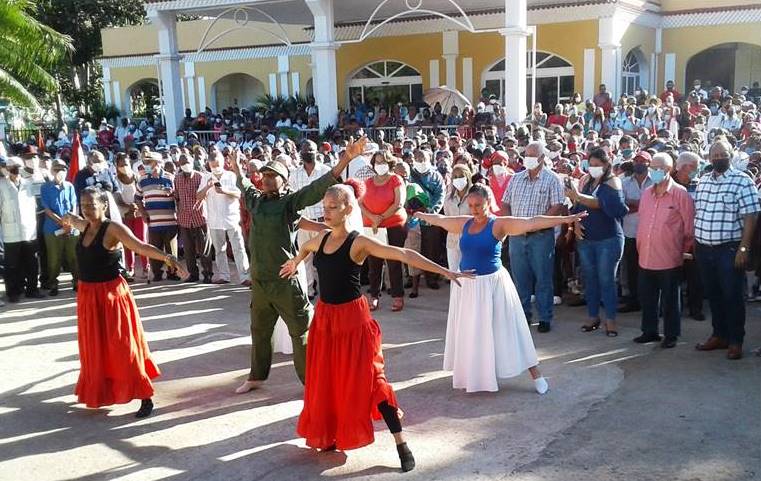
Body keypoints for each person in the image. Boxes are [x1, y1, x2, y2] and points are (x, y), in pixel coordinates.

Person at [280, 184, 469, 471]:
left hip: (353, 321)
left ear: (348, 208)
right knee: (326, 379)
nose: (326, 212)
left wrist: (444, 271)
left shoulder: (359, 243)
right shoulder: (319, 239)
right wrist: (294, 262)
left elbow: (404, 254)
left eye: (333, 206)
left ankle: (401, 443)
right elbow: (304, 248)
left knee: (372, 380)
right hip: (325, 320)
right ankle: (330, 435)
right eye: (325, 206)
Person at [230, 136, 367, 394]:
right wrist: (237, 168)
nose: (268, 179)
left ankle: (312, 382)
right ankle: (256, 377)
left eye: (274, 175)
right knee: (259, 331)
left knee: (300, 334)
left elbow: (316, 188)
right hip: (259, 281)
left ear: (284, 181)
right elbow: (244, 184)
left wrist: (345, 159)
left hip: (284, 281)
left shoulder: (289, 203)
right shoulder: (256, 200)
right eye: (265, 175)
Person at [415, 185, 585, 393]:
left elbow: (532, 223)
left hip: (493, 285)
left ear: (488, 203)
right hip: (467, 287)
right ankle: (477, 376)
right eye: (471, 206)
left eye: (478, 205)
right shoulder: (464, 223)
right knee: (472, 332)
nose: (474, 210)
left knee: (511, 327)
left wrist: (564, 220)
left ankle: (536, 374)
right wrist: (423, 214)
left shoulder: (499, 224)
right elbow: (441, 220)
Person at [61, 187, 188, 417]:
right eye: (83, 205)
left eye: (91, 205)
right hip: (88, 296)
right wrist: (68, 220)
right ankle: (102, 391)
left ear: (104, 206)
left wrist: (168, 258)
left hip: (111, 296)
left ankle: (145, 396)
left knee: (123, 348)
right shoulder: (85, 225)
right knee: (95, 347)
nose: (87, 209)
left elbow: (140, 246)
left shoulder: (113, 229)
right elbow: (72, 219)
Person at [693, 140, 760, 360]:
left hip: (729, 249)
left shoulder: (742, 181)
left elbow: (750, 216)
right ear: (709, 157)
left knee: (732, 296)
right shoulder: (703, 181)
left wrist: (744, 247)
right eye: (715, 154)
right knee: (713, 295)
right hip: (704, 248)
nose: (718, 157)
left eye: (723, 154)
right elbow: (700, 213)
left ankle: (735, 340)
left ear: (731, 155)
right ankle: (719, 335)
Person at [502, 141, 565, 333]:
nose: (527, 159)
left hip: (540, 236)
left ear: (542, 158)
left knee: (543, 278)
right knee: (520, 279)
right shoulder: (516, 178)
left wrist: (536, 223)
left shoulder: (552, 179)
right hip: (517, 236)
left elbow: (557, 206)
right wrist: (511, 222)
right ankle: (523, 316)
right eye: (526, 155)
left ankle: (545, 317)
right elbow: (505, 202)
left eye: (532, 156)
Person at [634, 153, 695, 348]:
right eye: (652, 167)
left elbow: (689, 227)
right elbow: (643, 221)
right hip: (646, 255)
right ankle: (649, 331)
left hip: (669, 257)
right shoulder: (646, 194)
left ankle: (671, 335)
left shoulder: (680, 194)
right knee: (647, 298)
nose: (652, 171)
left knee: (670, 299)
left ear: (668, 170)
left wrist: (682, 251)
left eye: (657, 168)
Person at [566, 147, 629, 336]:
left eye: (597, 165)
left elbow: (605, 204)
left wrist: (578, 196)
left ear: (606, 164)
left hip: (608, 240)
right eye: (590, 165)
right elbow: (576, 207)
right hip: (586, 239)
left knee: (606, 280)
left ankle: (610, 320)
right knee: (590, 280)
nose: (593, 168)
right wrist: (575, 224)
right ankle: (593, 316)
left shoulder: (613, 182)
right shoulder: (587, 182)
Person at [360, 151, 408, 311]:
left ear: (389, 163)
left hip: (393, 226)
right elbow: (360, 202)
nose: (380, 165)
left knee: (393, 261)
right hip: (372, 228)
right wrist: (372, 218)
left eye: (383, 162)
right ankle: (374, 296)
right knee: (374, 263)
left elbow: (398, 203)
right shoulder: (367, 182)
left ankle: (397, 295)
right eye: (377, 162)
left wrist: (380, 218)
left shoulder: (396, 179)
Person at [198, 151, 249, 285]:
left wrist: (224, 191)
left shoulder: (231, 176)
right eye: (213, 165)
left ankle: (245, 276)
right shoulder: (205, 178)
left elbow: (239, 193)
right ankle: (224, 276)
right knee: (219, 250)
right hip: (214, 220)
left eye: (218, 164)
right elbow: (198, 197)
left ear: (223, 162)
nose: (216, 167)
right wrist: (207, 187)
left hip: (231, 218)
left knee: (238, 248)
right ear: (209, 164)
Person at [290, 140, 332, 298]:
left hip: (323, 222)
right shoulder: (295, 174)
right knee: (305, 258)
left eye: (311, 150)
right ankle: (309, 290)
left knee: (325, 258)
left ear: (317, 152)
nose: (307, 153)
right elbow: (292, 197)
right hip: (303, 222)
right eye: (304, 150)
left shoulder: (325, 171)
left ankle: (327, 289)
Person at [0, 157, 45, 302]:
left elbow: (35, 206)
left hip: (28, 231)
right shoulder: (1, 185)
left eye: (18, 167)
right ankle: (13, 292)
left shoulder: (29, 184)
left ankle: (32, 289)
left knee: (31, 263)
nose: (16, 171)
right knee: (12, 265)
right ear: (7, 169)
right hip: (10, 231)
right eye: (13, 168)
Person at [136, 152, 180, 282]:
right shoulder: (142, 180)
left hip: (170, 221)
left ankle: (173, 272)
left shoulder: (170, 178)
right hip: (153, 221)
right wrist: (143, 213)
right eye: (146, 163)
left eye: (150, 162)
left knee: (171, 249)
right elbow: (137, 198)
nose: (147, 165)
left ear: (158, 163)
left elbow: (178, 196)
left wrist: (172, 193)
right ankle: (157, 273)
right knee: (155, 249)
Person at [619, 151, 654, 312]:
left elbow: (657, 205)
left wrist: (636, 204)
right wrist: (644, 205)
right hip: (630, 232)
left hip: (651, 233)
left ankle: (649, 301)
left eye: (643, 161)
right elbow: (622, 206)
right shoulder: (624, 182)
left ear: (649, 163)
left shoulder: (656, 181)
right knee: (632, 268)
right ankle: (634, 300)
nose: (639, 163)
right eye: (636, 160)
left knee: (650, 269)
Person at [673, 152, 705, 320]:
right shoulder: (668, 184)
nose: (697, 170)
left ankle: (696, 308)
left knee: (695, 276)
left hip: (694, 238)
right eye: (694, 167)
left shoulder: (700, 184)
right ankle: (672, 309)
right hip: (672, 237)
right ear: (684, 167)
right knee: (673, 276)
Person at [40, 160, 79, 296]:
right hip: (52, 228)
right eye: (56, 169)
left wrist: (70, 222)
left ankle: (77, 282)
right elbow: (47, 209)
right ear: (52, 171)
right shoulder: (45, 187)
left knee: (74, 256)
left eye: (62, 169)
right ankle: (53, 284)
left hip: (71, 226)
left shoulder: (69, 186)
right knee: (54, 258)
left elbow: (74, 205)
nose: (59, 172)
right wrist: (62, 222)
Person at [174, 153, 214, 283]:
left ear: (192, 161)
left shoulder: (200, 177)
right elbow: (177, 198)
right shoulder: (177, 178)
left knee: (204, 249)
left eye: (187, 162)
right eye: (182, 163)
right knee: (188, 250)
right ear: (179, 165)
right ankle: (193, 274)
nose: (185, 165)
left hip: (200, 217)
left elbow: (205, 195)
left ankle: (207, 274)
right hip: (184, 219)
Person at [443, 164, 473, 272]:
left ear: (467, 176)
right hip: (453, 242)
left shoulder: (475, 196)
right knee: (454, 274)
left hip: (471, 242)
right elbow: (447, 219)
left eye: (461, 176)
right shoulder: (448, 199)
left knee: (470, 276)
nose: (458, 179)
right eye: (455, 177)